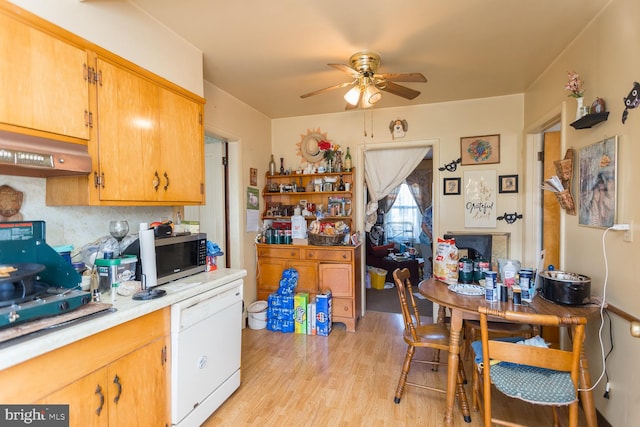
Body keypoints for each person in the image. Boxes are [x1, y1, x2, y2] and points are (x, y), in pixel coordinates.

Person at [419, 204, 433, 278]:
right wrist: (430, 236)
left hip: (432, 240)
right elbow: (423, 225)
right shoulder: (429, 211)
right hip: (426, 239)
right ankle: (426, 280)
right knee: (428, 261)